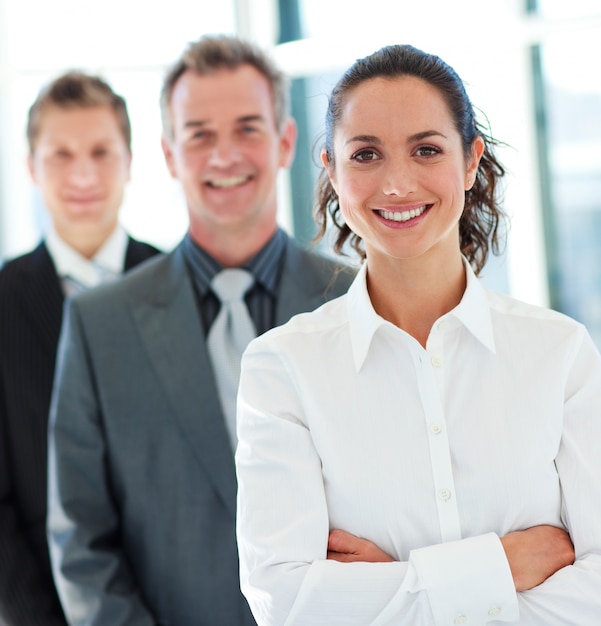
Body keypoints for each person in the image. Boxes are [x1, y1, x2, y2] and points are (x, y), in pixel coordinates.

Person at [235, 44, 601, 625]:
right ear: (330, 168)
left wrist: (398, 583)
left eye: (426, 149)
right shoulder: (283, 369)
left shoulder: (561, 356)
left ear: (471, 159)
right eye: (366, 154)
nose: (397, 183)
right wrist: (500, 566)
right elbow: (285, 603)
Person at [47, 35, 354, 626]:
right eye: (199, 135)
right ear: (168, 154)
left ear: (285, 141)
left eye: (246, 128)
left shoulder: (353, 300)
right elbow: (80, 540)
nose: (224, 156)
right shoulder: (99, 323)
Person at [0, 71, 160, 626]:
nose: (84, 174)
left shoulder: (181, 286)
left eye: (100, 151)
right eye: (61, 155)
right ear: (31, 167)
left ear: (131, 160)